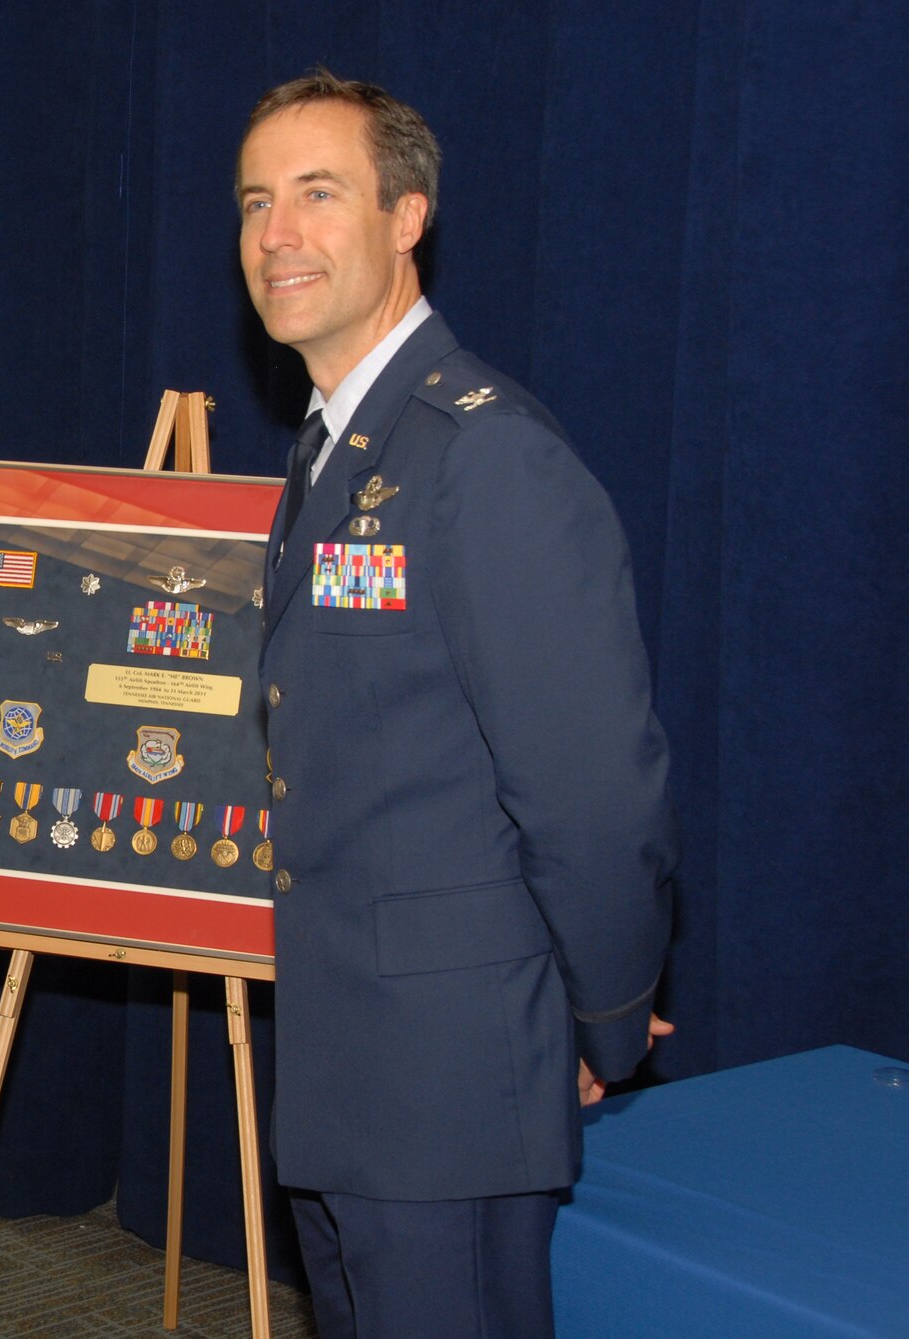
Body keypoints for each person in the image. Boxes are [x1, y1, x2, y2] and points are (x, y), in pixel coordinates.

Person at [240, 72, 676, 1338]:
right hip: (346, 1065)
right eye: (256, 202)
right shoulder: (334, 449)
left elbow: (591, 786)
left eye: (317, 195)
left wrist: (602, 1014)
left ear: (406, 215)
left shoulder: (483, 455)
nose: (276, 233)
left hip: (449, 1085)